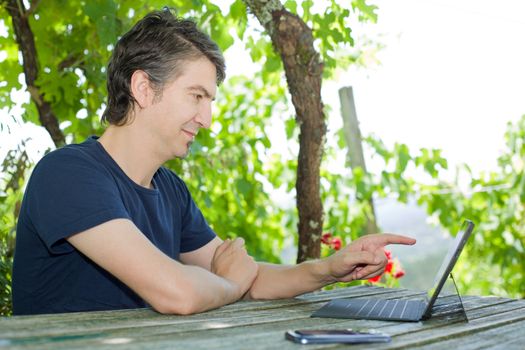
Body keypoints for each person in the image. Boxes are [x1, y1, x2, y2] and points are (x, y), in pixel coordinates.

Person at [12, 9, 416, 316]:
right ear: (142, 88)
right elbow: (179, 292)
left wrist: (329, 268)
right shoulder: (68, 174)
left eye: (209, 101)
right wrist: (228, 283)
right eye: (196, 96)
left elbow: (249, 275)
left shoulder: (170, 191)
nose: (206, 119)